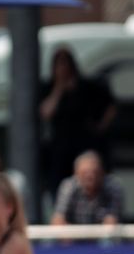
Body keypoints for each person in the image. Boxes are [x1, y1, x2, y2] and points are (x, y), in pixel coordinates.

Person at [40, 48, 116, 198]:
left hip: (84, 146)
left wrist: (100, 127)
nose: (63, 69)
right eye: (59, 65)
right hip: (60, 151)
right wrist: (59, 88)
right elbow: (45, 113)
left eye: (65, 64)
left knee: (88, 185)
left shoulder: (86, 87)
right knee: (61, 190)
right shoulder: (49, 87)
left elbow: (111, 106)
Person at [51, 150, 124, 227]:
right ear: (76, 174)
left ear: (102, 172)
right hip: (72, 235)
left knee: (109, 238)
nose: (90, 176)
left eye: (94, 172)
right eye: (85, 173)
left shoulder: (113, 186)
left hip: (102, 235)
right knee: (49, 238)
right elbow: (58, 219)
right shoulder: (69, 186)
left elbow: (111, 222)